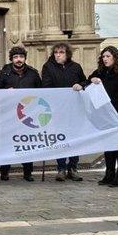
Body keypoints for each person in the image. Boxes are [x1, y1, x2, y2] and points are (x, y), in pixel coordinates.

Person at [84, 45, 118, 187]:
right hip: (106, 116)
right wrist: (91, 81)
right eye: (103, 57)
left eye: (108, 56)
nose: (105, 59)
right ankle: (109, 174)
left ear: (115, 57)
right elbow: (88, 82)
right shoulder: (100, 72)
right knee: (109, 146)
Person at [0, 46, 41, 181]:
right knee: (7, 143)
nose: (18, 59)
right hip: (8, 114)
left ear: (25, 58)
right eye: (15, 57)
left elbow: (41, 91)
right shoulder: (4, 73)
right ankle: (4, 171)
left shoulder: (33, 73)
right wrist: (6, 92)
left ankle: (28, 172)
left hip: (27, 114)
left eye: (21, 57)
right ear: (11, 59)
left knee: (27, 143)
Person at [41, 43, 86, 182]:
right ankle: (61, 168)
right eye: (56, 52)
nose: (58, 55)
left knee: (75, 138)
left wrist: (80, 85)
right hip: (58, 109)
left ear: (67, 54)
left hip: (74, 109)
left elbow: (84, 81)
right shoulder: (48, 67)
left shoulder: (76, 67)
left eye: (61, 52)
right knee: (60, 138)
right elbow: (46, 86)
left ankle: (73, 167)